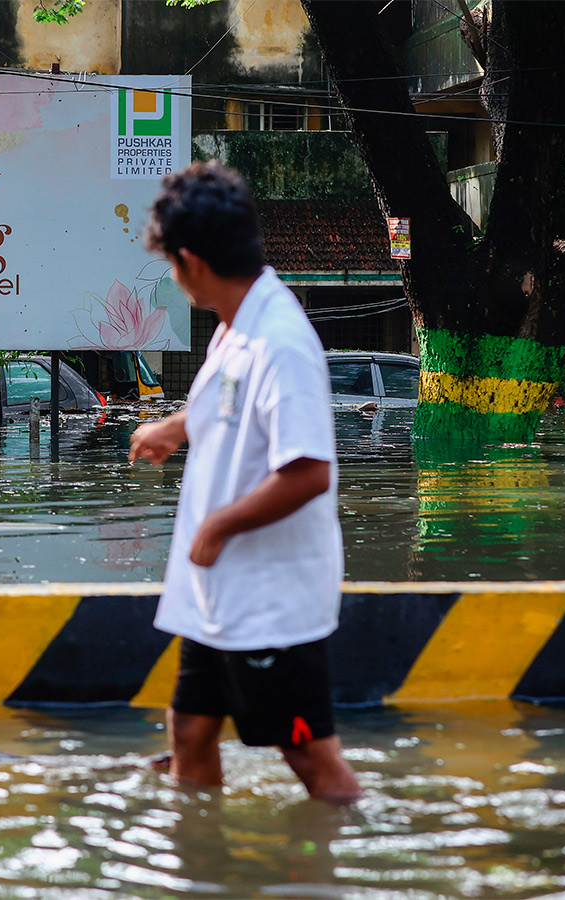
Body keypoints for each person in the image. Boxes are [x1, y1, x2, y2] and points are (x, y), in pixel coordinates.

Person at [129, 162, 360, 803]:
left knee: (309, 754)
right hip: (218, 597)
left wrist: (218, 525)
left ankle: (339, 864)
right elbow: (232, 409)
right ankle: (202, 865)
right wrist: (177, 426)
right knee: (190, 731)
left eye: (170, 262)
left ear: (192, 260)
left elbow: (310, 471)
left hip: (268, 602)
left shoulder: (281, 341)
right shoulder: (237, 326)